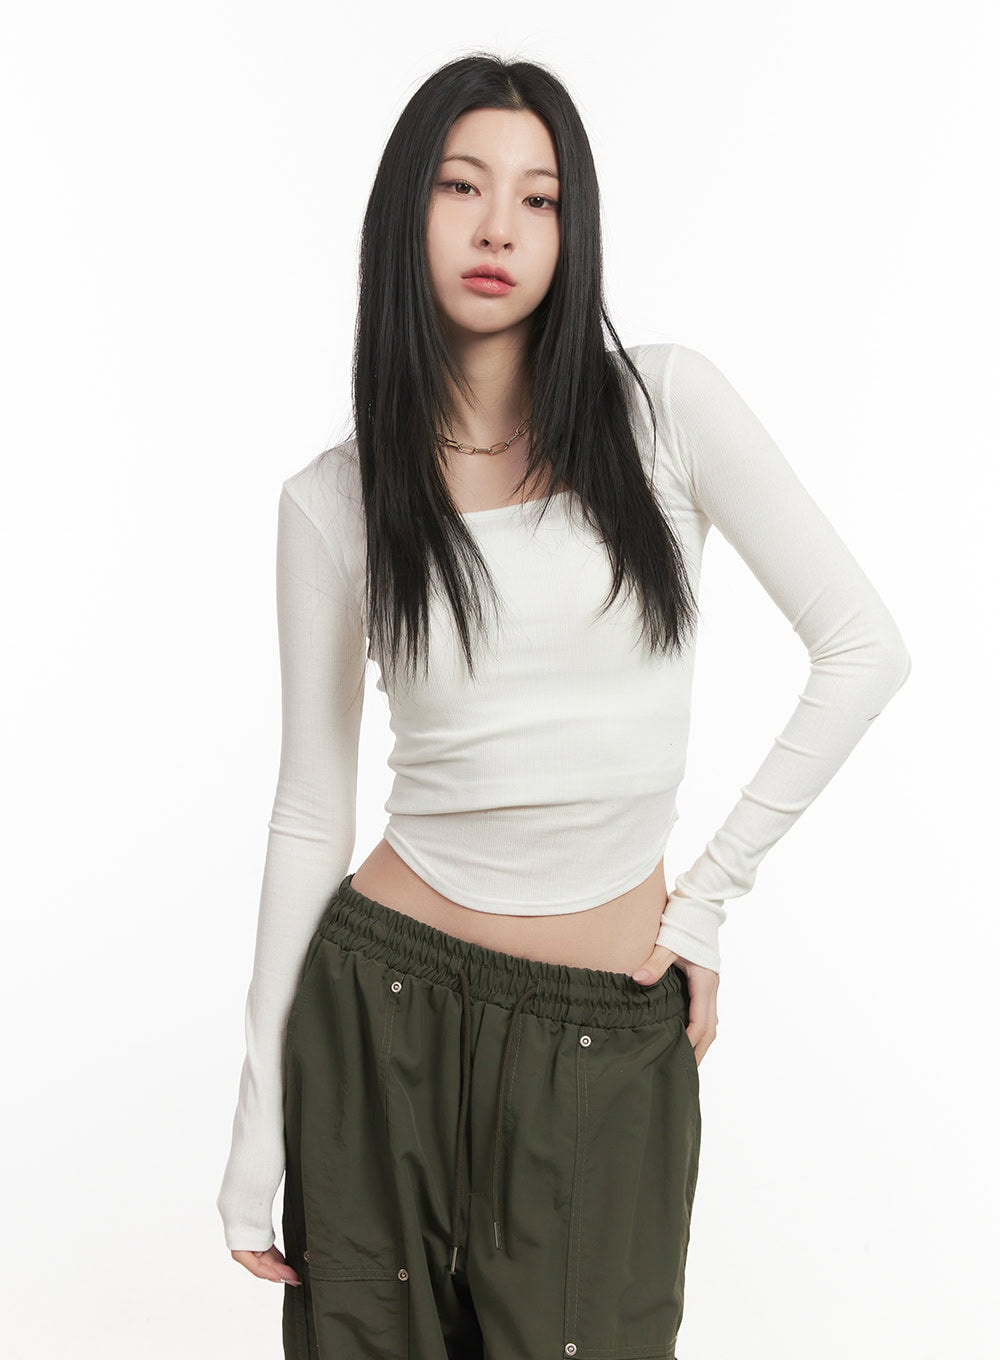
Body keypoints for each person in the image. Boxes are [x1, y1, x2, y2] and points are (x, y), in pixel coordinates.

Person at [216, 52, 911, 1360]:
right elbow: (310, 809)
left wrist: (708, 897)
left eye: (539, 199)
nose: (499, 227)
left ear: (572, 228)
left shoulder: (665, 413)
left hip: (604, 1035)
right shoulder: (335, 500)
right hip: (379, 1022)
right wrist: (259, 1121)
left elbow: (863, 648)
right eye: (462, 186)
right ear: (403, 212)